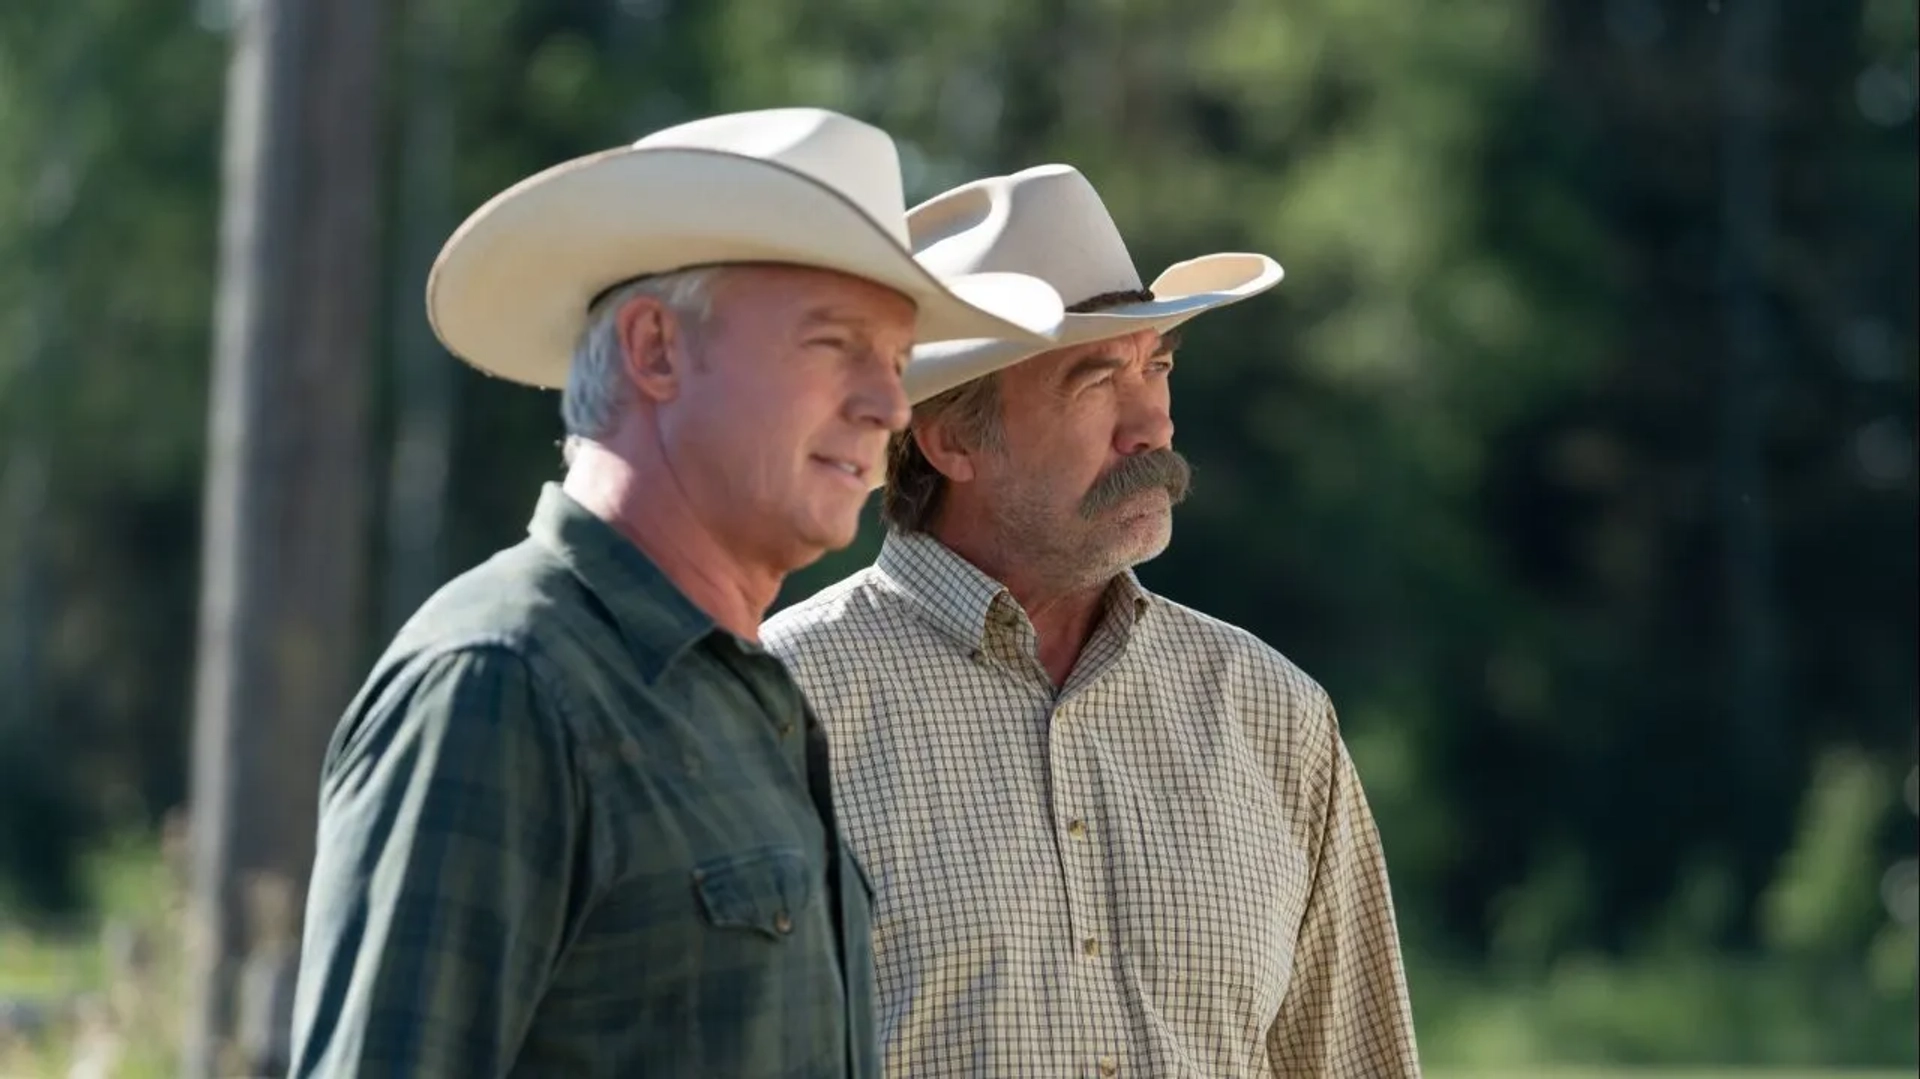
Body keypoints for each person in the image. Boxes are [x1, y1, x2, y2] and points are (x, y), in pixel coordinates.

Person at [288, 109, 1065, 1077]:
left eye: (898, 362)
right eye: (836, 344)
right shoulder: (501, 683)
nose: (889, 404)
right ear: (654, 348)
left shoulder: (741, 691)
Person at [763, 164, 1422, 1078]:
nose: (1151, 422)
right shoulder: (771, 713)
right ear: (949, 436)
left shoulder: (1276, 715)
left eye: (1157, 365)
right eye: (1095, 378)